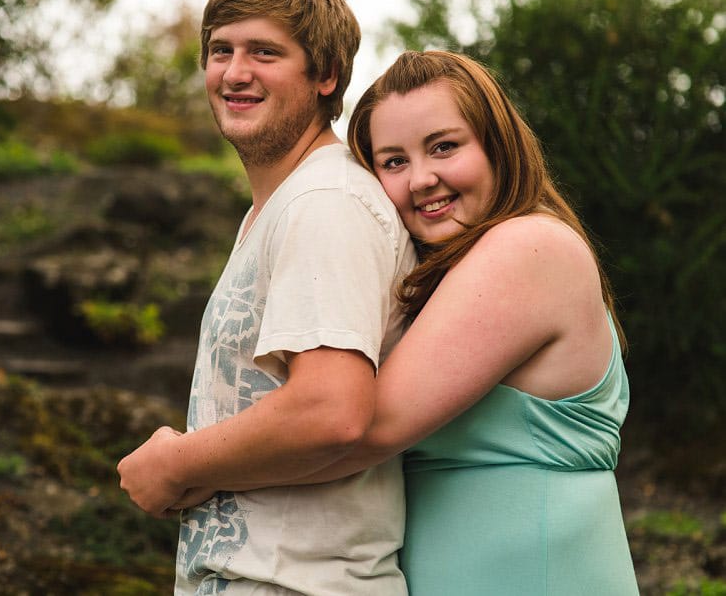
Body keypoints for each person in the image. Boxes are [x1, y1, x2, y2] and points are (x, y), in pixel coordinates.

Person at [169, 50, 641, 595]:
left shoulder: (530, 246)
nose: (421, 179)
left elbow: (359, 431)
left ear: (497, 145)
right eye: (393, 162)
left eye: (444, 147)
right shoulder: (448, 275)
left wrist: (182, 466)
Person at [117, 0, 416, 593]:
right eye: (221, 50)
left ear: (325, 75)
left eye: (265, 52)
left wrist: (175, 462)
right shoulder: (280, 206)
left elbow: (332, 409)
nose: (234, 72)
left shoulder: (326, 201)